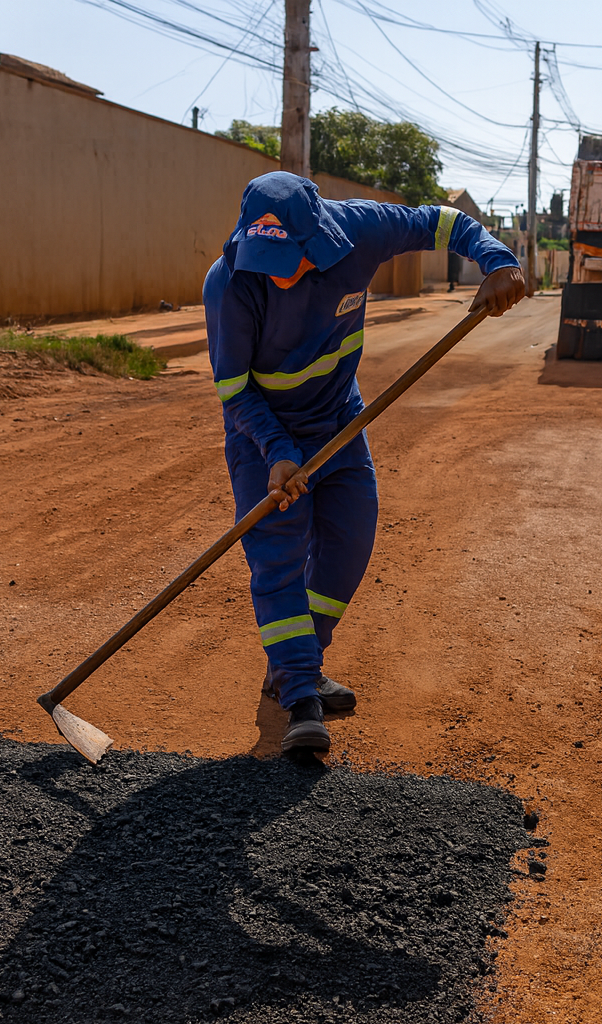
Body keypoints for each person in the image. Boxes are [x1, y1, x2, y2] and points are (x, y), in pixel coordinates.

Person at [204, 172, 525, 755]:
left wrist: (497, 259)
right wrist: (278, 453)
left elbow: (441, 222)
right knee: (278, 558)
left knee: (350, 539)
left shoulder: (359, 229)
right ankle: (300, 695)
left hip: (339, 421)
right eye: (267, 261)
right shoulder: (229, 283)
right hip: (265, 437)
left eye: (289, 260)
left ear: (317, 237)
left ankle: (301, 660)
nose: (279, 274)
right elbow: (235, 390)